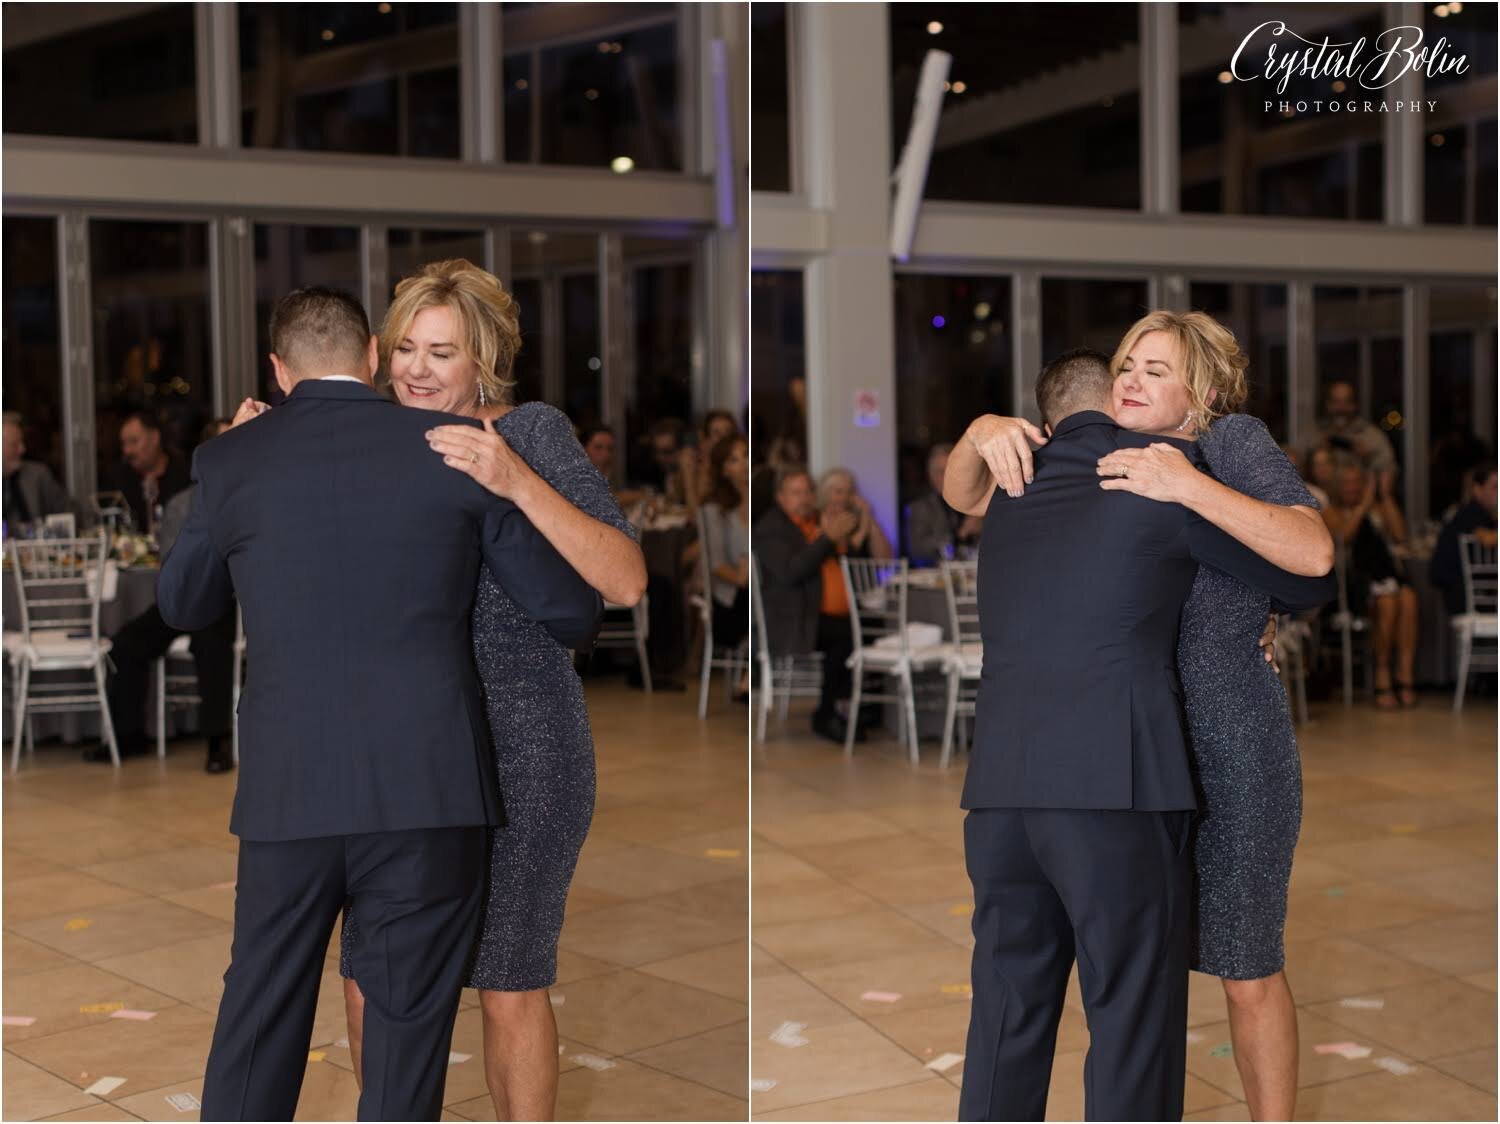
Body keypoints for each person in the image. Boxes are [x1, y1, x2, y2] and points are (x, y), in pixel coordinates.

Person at [158, 285, 602, 1122]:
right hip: (428, 791)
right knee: (406, 1032)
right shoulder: (454, 448)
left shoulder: (232, 459)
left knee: (260, 1013)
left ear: (279, 371)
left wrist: (226, 459)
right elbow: (573, 612)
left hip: (290, 794)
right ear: (371, 358)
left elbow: (183, 604)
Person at [950, 314, 1337, 1122]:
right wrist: (982, 428)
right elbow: (1300, 586)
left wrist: (1186, 485)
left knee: (1234, 962)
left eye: (1155, 370)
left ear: (1202, 393)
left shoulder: (1193, 460)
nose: (1131, 378)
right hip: (1125, 770)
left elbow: (1309, 561)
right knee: (1131, 1014)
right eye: (1127, 364)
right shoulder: (1105, 476)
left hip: (1176, 751)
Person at [335, 258, 647, 1122]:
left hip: (527, 747)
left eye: (443, 352)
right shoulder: (366, 443)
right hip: (399, 752)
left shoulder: (532, 431)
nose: (418, 370)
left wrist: (509, 476)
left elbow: (624, 580)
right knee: (369, 975)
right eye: (406, 348)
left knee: (506, 979)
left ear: (483, 363)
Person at [91, 418, 237, 774]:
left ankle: (218, 742)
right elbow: (172, 566)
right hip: (185, 599)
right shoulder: (182, 504)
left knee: (211, 647)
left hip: (232, 603)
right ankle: (129, 736)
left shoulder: (255, 498)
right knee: (125, 643)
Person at [754, 465, 860, 743]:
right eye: (795, 492)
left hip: (817, 615)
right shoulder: (771, 529)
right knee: (847, 637)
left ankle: (859, 710)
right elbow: (791, 572)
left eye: (807, 491)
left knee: (864, 631)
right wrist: (827, 538)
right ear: (780, 497)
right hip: (791, 620)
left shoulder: (815, 522)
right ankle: (826, 714)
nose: (803, 498)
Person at [1322, 462, 1421, 709]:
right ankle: (1382, 671)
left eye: (1358, 482)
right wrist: (1363, 507)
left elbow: (1400, 535)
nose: (1353, 488)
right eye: (1348, 483)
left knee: (1408, 599)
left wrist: (1384, 498)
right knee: (1387, 604)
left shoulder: (1377, 509)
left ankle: (1405, 674)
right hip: (1353, 585)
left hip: (1385, 576)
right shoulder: (1330, 512)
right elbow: (1344, 538)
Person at [700, 435, 751, 654]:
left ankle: (748, 678)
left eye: (746, 455)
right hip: (730, 603)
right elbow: (717, 565)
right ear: (723, 471)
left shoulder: (764, 503)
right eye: (733, 459)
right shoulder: (714, 510)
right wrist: (741, 577)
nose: (744, 463)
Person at [1432, 464, 1499, 614]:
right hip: (1463, 595)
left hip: (1475, 594)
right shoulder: (1470, 513)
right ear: (1477, 490)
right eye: (1495, 487)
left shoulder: (1488, 517)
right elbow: (1487, 539)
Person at [110, 409, 190, 534]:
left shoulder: (185, 475)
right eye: (123, 444)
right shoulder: (119, 480)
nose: (127, 451)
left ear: (154, 438)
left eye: (133, 441)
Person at [906, 444, 983, 565]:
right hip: (935, 577)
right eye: (941, 471)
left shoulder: (973, 501)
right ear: (931, 474)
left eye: (951, 470)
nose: (947, 476)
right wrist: (960, 534)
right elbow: (918, 550)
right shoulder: (921, 508)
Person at [1313, 379, 1396, 477]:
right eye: (1336, 402)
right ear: (1327, 404)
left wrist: (1368, 458)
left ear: (1355, 405)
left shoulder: (1372, 435)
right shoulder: (1315, 432)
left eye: (1347, 402)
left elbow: (1388, 472)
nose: (1341, 408)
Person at [3, 412, 72, 526]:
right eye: (14, 445)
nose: (22, 449)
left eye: (22, 442)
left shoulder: (37, 475)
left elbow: (69, 510)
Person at [820, 467, 894, 561]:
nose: (844, 497)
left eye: (849, 492)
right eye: (839, 492)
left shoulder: (859, 520)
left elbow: (886, 560)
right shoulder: (816, 519)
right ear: (824, 493)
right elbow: (846, 553)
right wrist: (863, 528)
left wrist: (868, 516)